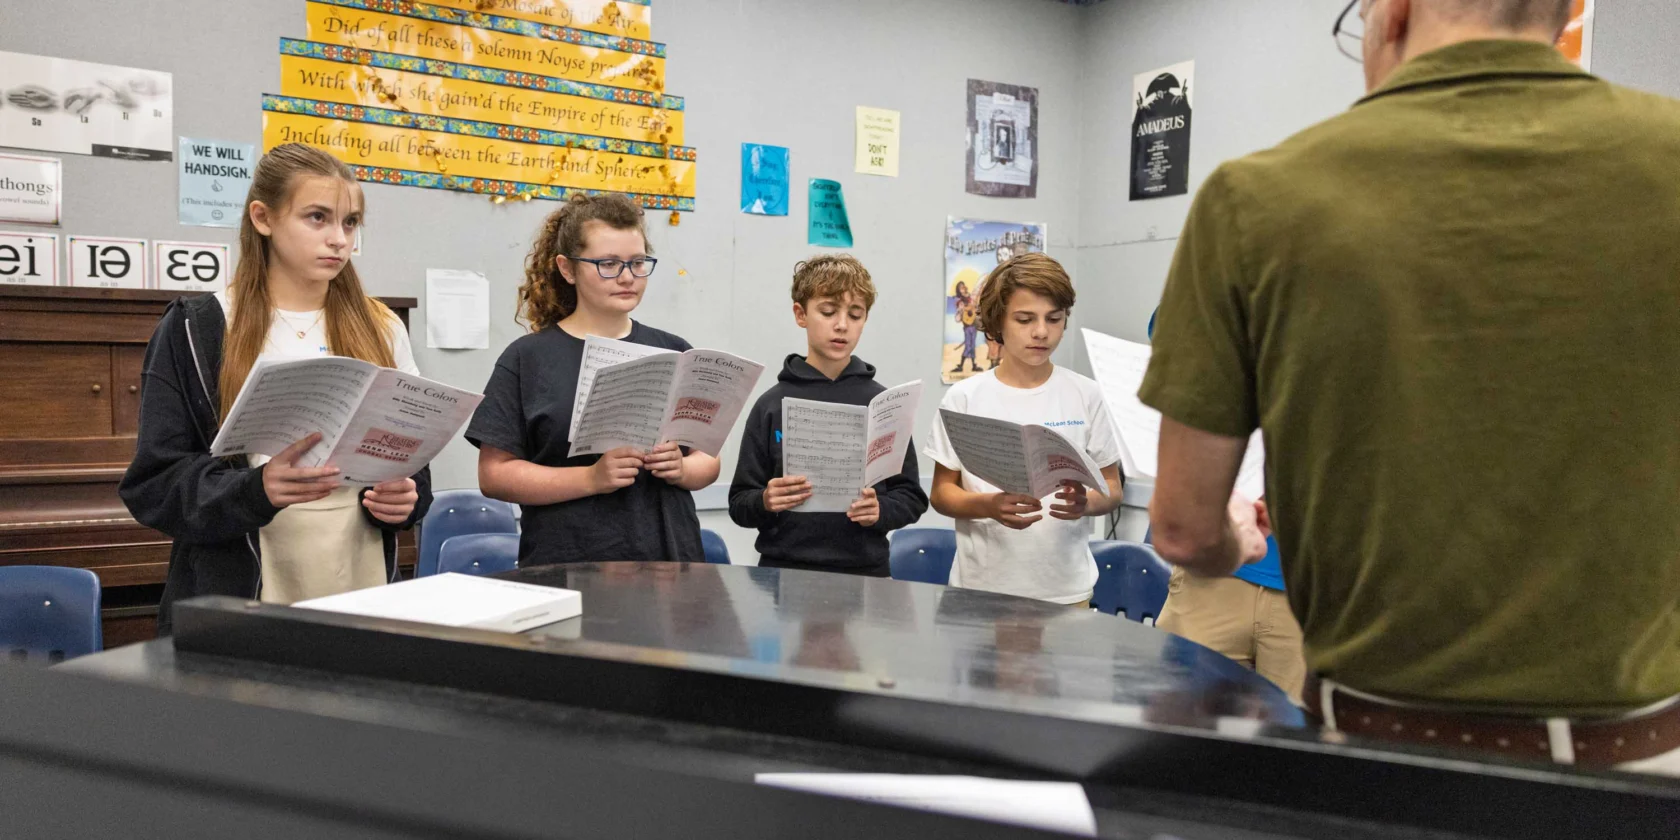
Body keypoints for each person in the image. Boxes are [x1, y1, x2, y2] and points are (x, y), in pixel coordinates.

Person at [1141, 0, 1680, 773]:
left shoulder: (1256, 199)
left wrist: (1242, 541)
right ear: (1562, 12)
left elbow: (1186, 531)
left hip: (1380, 761)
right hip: (1648, 761)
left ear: (1391, 12)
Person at [120, 143, 430, 632]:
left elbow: (410, 456)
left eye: (350, 223)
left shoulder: (381, 325)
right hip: (243, 577)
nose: (338, 240)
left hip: (356, 568)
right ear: (263, 218)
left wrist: (404, 501)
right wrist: (256, 489)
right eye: (316, 218)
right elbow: (154, 485)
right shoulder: (198, 326)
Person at [467, 194, 717, 566]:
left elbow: (708, 459)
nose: (627, 277)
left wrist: (682, 469)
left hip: (669, 557)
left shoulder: (676, 350)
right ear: (567, 269)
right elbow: (494, 475)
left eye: (637, 262)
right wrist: (591, 478)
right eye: (608, 264)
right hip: (568, 559)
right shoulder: (527, 358)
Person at [926, 253, 1125, 607]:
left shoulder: (1085, 394)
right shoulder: (964, 397)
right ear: (998, 322)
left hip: (1066, 591)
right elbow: (942, 493)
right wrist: (989, 505)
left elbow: (1112, 490)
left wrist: (1086, 502)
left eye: (1054, 319)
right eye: (1024, 319)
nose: (1041, 332)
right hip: (982, 590)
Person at [728, 255, 928, 577]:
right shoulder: (772, 404)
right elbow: (739, 503)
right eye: (828, 311)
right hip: (784, 571)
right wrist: (766, 499)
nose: (842, 325)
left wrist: (881, 510)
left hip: (866, 573)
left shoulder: (882, 402)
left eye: (855, 314)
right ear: (800, 314)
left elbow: (911, 496)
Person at [1145, 310, 1306, 704]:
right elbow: (1174, 331)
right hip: (1215, 574)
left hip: (1313, 590)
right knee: (1181, 731)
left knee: (1301, 746)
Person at [951, 280, 979, 373]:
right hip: (967, 326)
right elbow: (960, 313)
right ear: (959, 290)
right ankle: (961, 365)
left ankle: (973, 365)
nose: (963, 288)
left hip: (973, 325)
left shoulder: (971, 298)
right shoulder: (960, 301)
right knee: (968, 345)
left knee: (972, 345)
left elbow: (974, 307)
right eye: (961, 287)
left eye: (964, 286)